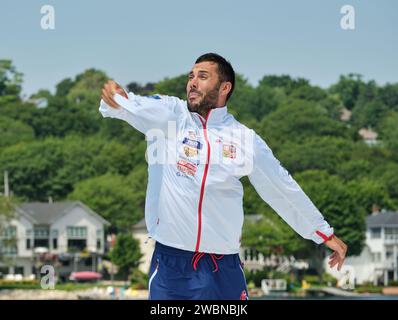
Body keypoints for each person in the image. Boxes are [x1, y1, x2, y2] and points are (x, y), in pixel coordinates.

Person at [99, 53, 348, 300]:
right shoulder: (172, 116)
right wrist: (117, 97)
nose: (192, 82)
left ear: (225, 87)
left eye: (203, 76)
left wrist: (323, 233)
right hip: (172, 266)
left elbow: (282, 188)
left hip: (223, 267)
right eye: (191, 76)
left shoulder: (244, 139)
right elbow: (129, 106)